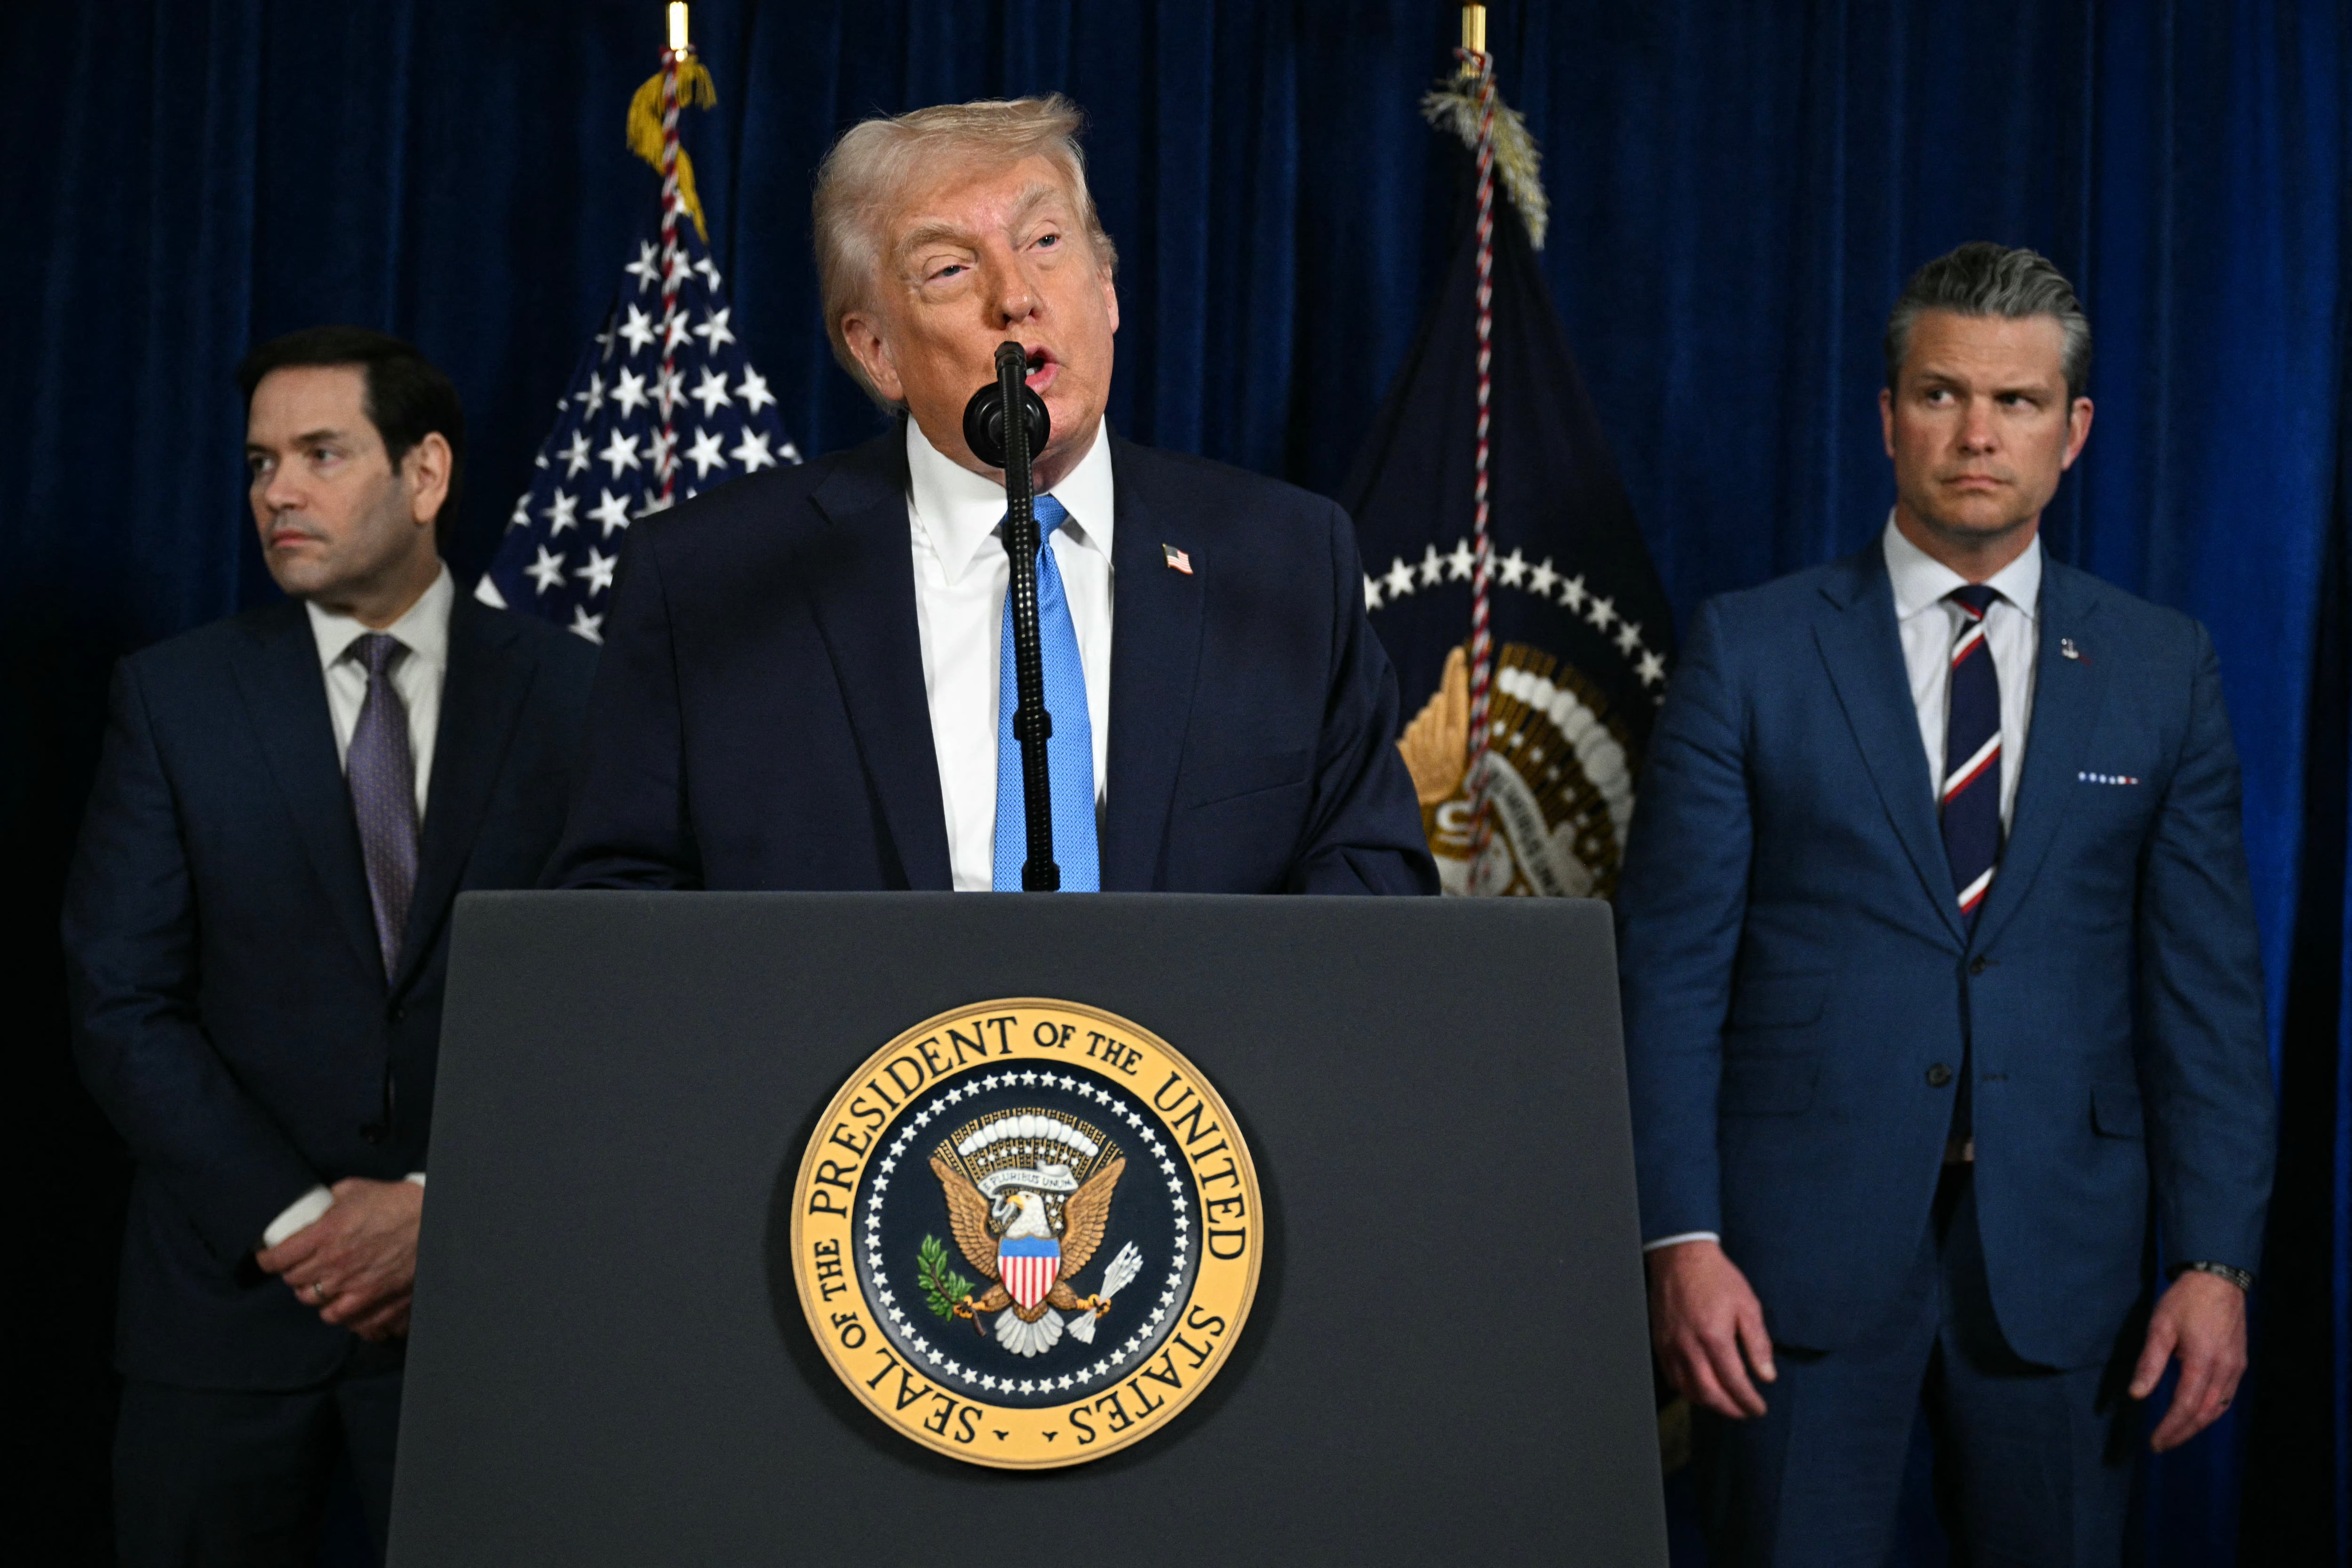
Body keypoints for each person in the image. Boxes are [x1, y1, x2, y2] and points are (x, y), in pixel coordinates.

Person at [1616, 244, 2273, 1564]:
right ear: (1887, 416)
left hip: (2062, 1260)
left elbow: (2204, 997)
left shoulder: (2162, 666)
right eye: (1942, 393)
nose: (1978, 433)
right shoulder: (1751, 649)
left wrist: (2216, 1260)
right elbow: (1669, 971)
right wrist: (1678, 1235)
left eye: (2018, 402)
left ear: (2074, 430)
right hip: (1786, 1264)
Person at [546, 96, 1434, 896]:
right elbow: (621, 922)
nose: (1016, 297)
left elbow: (1372, 886)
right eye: (949, 270)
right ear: (877, 352)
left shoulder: (1286, 559)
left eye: (1046, 243)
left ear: (1109, 289)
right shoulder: (710, 583)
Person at [63, 327, 598, 1564]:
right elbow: (119, 998)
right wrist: (302, 1222)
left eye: (320, 453)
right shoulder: (171, 699)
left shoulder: (580, 697)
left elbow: (607, 1003)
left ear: (426, 475)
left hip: (489, 1310)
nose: (278, 492)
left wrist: (433, 1208)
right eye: (259, 462)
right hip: (227, 1317)